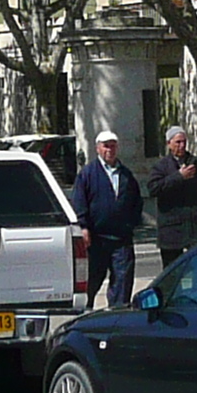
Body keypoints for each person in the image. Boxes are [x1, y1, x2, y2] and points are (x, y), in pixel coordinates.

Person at [74, 130, 144, 308]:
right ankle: (86, 311)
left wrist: (132, 223)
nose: (109, 150)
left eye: (113, 146)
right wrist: (84, 227)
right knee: (93, 279)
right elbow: (79, 201)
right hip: (97, 239)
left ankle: (117, 314)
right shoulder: (88, 174)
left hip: (121, 239)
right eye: (106, 146)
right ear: (98, 148)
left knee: (122, 281)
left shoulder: (126, 175)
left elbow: (136, 201)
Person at [148, 126, 197, 273]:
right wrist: (178, 177)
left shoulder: (194, 163)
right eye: (177, 142)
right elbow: (154, 189)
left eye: (184, 142)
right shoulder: (161, 166)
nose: (182, 146)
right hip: (172, 230)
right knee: (172, 272)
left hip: (194, 227)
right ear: (169, 144)